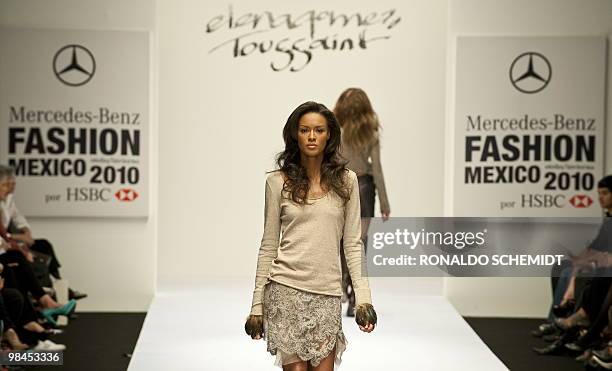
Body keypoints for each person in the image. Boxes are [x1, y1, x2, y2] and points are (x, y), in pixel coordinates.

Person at [245, 101, 378, 371]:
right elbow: (268, 246)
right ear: (296, 134)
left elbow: (353, 245)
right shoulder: (277, 182)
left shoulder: (347, 181)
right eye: (305, 130)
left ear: (329, 134)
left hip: (327, 294)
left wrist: (364, 298)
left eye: (318, 130)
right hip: (286, 291)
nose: (312, 136)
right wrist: (257, 306)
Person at [333, 87, 390, 316]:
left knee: (341, 241)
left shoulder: (335, 129)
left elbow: (332, 160)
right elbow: (376, 167)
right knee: (359, 244)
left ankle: (346, 284)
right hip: (364, 187)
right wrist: (385, 203)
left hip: (340, 184)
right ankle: (356, 293)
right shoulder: (371, 132)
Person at [1, 166, 87, 301]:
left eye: (12, 184)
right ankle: (46, 294)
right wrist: (18, 241)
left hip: (7, 242)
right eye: (7, 185)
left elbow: (18, 218)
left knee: (43, 245)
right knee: (23, 257)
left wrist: (26, 232)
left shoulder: (8, 198)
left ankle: (58, 283)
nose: (11, 188)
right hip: (5, 244)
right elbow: (4, 235)